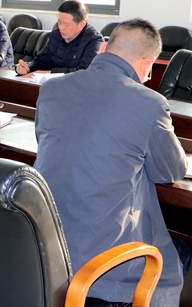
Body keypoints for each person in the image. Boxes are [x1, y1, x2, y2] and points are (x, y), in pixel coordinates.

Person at [34, 18, 190, 306]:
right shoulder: (149, 102)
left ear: (104, 48)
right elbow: (170, 171)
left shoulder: (51, 89)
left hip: (42, 245)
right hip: (101, 265)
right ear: (148, 64)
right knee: (181, 251)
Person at [15, 0, 102, 76]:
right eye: (59, 22)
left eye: (66, 24)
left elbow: (85, 72)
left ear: (81, 25)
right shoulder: (56, 35)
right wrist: (28, 67)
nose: (61, 27)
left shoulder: (94, 40)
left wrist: (50, 73)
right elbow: (43, 59)